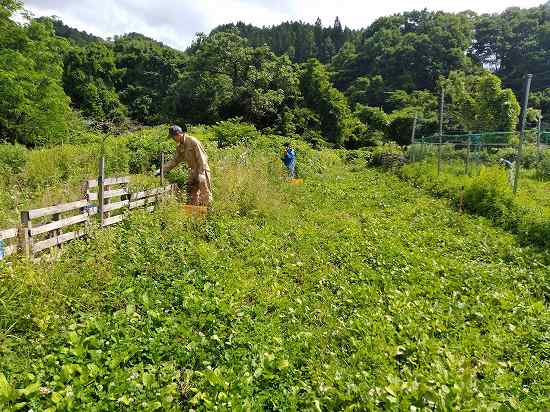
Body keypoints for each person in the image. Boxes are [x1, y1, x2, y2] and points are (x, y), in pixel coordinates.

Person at [156, 125, 212, 206]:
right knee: (191, 193)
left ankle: (208, 212)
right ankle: (194, 211)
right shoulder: (180, 147)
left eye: (173, 137)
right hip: (193, 171)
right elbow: (174, 161)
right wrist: (161, 170)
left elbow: (202, 158)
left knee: (205, 193)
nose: (173, 139)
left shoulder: (193, 141)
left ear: (178, 134)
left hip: (202, 170)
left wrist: (201, 173)